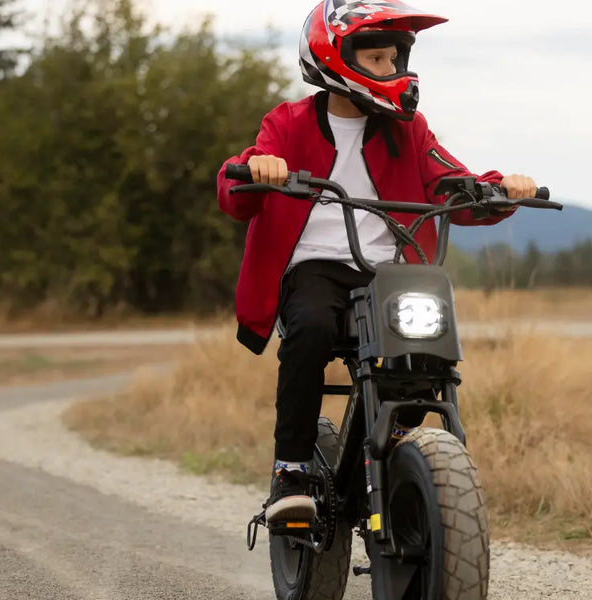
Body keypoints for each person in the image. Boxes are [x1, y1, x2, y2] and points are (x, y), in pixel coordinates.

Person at [217, 0, 537, 524]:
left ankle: (413, 460)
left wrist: (498, 189)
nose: (394, 71)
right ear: (336, 58)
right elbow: (237, 191)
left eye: (396, 59)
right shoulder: (288, 123)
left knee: (424, 351)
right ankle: (290, 470)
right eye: (380, 61)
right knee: (312, 329)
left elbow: (450, 180)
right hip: (315, 268)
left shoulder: (409, 130)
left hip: (387, 271)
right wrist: (257, 167)